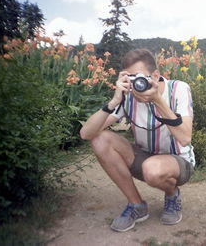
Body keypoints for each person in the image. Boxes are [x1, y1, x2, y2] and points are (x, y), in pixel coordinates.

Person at [80, 49, 195, 232]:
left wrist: (157, 100)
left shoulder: (178, 89)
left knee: (153, 168)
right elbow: (86, 133)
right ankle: (136, 205)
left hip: (178, 161)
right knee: (99, 139)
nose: (136, 84)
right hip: (144, 158)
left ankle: (172, 194)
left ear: (155, 76)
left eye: (140, 78)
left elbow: (185, 138)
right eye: (130, 79)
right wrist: (114, 101)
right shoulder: (127, 96)